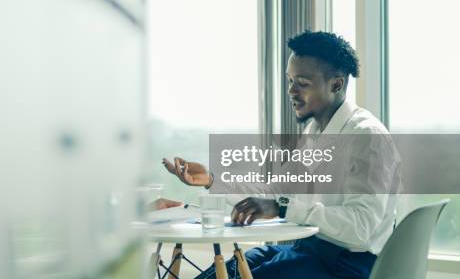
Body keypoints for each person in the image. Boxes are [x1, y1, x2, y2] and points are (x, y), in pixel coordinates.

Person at [158, 31, 399, 279]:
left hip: (345, 265)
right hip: (307, 250)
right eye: (290, 80)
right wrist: (212, 180)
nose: (291, 91)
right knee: (220, 274)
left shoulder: (367, 137)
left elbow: (360, 227)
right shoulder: (315, 132)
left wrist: (282, 208)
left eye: (302, 83)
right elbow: (274, 191)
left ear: (336, 84)